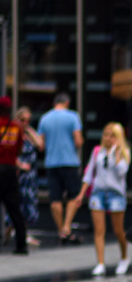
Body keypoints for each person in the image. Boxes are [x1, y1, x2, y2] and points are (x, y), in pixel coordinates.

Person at [77, 122, 132, 276]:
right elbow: (89, 174)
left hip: (116, 194)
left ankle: (124, 257)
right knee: (99, 230)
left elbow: (121, 172)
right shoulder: (97, 152)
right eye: (106, 135)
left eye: (112, 135)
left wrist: (114, 154)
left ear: (118, 137)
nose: (108, 138)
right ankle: (100, 263)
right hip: (98, 193)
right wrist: (81, 194)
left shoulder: (123, 152)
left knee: (118, 230)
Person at [37, 93, 84, 244]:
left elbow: (41, 145)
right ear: (67, 102)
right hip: (69, 161)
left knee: (55, 199)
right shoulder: (72, 117)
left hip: (51, 163)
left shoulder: (45, 118)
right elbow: (78, 141)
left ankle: (60, 230)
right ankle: (66, 227)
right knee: (73, 196)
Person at [3, 106, 43, 249]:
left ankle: (22, 234)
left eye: (28, 120)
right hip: (17, 175)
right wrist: (19, 165)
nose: (25, 123)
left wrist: (29, 129)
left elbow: (40, 144)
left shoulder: (28, 135)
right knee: (14, 205)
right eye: (22, 120)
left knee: (27, 205)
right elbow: (7, 152)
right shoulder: (12, 132)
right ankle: (10, 231)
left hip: (30, 177)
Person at [0, 98, 30, 255]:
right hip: (10, 170)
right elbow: (19, 149)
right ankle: (21, 245)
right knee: (15, 209)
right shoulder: (16, 127)